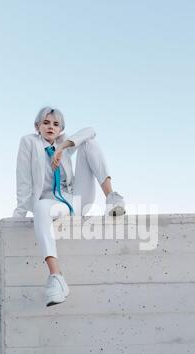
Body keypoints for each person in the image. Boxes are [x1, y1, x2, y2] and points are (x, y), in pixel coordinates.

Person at [12, 106, 126, 306]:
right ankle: (57, 278)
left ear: (60, 129)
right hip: (51, 203)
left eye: (56, 124)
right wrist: (19, 213)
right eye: (46, 122)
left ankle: (112, 197)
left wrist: (62, 147)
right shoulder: (29, 142)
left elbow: (90, 130)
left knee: (90, 144)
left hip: (75, 199)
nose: (50, 127)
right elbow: (23, 181)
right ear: (37, 126)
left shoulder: (62, 145)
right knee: (39, 207)